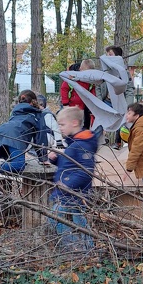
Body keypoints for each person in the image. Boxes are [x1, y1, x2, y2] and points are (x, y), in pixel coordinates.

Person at [48, 106, 98, 251]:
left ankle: (73, 247)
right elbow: (70, 165)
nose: (60, 128)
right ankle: (87, 247)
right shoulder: (74, 143)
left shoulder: (82, 145)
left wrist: (66, 184)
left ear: (74, 123)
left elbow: (86, 171)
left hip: (72, 192)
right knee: (78, 220)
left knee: (56, 218)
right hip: (69, 192)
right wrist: (56, 159)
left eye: (62, 124)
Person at [100, 46, 136, 149]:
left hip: (119, 101)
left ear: (117, 57)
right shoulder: (105, 70)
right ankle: (102, 141)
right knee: (100, 119)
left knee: (122, 121)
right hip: (107, 101)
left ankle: (119, 142)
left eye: (110, 55)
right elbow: (99, 86)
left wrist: (128, 105)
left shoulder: (124, 72)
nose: (107, 57)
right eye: (107, 55)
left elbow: (129, 89)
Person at [60, 59, 96, 129]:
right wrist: (65, 104)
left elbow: (92, 92)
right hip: (70, 106)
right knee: (69, 123)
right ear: (80, 69)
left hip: (82, 107)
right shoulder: (73, 78)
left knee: (80, 124)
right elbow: (64, 89)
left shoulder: (90, 81)